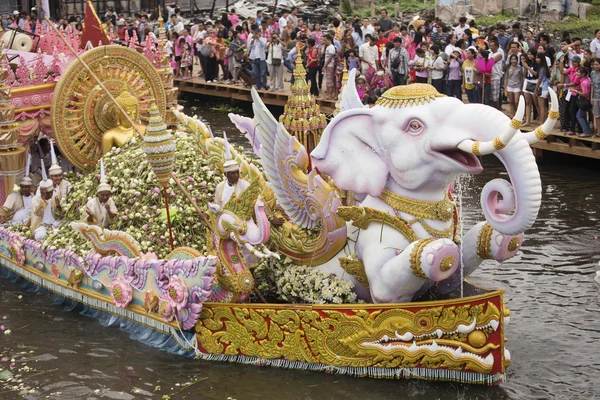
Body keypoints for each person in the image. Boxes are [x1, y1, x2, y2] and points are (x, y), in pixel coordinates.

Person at [214, 134, 250, 208]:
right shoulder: (220, 187)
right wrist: (208, 213)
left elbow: (256, 202)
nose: (236, 175)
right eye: (232, 173)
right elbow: (216, 205)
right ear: (225, 175)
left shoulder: (245, 185)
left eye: (237, 172)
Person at [85, 160, 118, 228]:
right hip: (94, 231)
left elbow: (114, 219)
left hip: (107, 230)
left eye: (107, 195)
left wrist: (108, 210)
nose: (105, 197)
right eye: (102, 195)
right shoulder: (92, 202)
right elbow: (87, 222)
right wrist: (91, 215)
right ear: (98, 194)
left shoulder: (110, 201)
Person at [0, 155, 33, 225]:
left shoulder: (33, 196)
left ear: (30, 187)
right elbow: (4, 209)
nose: (24, 189)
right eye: (22, 187)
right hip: (12, 223)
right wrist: (2, 217)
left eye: (26, 187)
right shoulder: (13, 196)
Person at [30, 170, 61, 241]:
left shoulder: (53, 197)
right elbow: (38, 213)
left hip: (54, 224)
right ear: (42, 193)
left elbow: (58, 215)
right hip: (41, 226)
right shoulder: (36, 200)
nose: (50, 195)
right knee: (40, 236)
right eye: (47, 193)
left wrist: (58, 206)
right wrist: (42, 200)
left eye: (51, 193)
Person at [323, 34, 337, 100]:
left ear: (329, 40)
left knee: (330, 80)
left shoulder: (331, 47)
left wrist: (325, 65)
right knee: (328, 80)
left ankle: (330, 95)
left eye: (325, 40)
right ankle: (329, 94)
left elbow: (330, 58)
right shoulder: (328, 47)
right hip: (328, 65)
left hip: (329, 65)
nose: (324, 41)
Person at [591, 58, 600, 138]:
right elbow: (592, 85)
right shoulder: (593, 73)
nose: (596, 66)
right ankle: (598, 131)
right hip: (596, 96)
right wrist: (592, 97)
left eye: (597, 64)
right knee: (597, 115)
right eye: (594, 64)